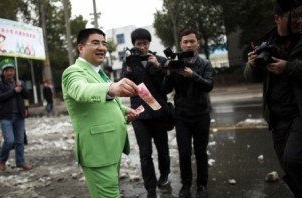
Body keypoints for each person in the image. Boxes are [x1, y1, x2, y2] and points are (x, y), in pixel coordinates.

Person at [62, 28, 140, 197]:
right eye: (95, 43)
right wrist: (112, 87)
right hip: (97, 152)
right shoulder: (73, 72)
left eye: (104, 43)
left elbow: (104, 106)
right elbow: (82, 91)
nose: (102, 47)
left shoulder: (99, 73)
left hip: (110, 148)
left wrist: (124, 111)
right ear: (80, 47)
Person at [244, 1, 302, 197]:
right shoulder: (266, 42)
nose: (300, 20)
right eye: (294, 16)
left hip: (299, 113)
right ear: (277, 18)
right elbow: (250, 77)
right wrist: (252, 64)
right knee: (287, 166)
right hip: (276, 118)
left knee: (293, 159)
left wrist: (287, 67)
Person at [162, 28, 213, 198]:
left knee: (200, 151)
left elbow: (208, 86)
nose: (189, 44)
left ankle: (202, 186)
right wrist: (169, 73)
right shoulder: (176, 64)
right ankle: (186, 185)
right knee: (184, 152)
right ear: (181, 44)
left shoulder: (204, 64)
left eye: (192, 41)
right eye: (186, 42)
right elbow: (165, 89)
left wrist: (192, 75)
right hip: (182, 115)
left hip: (201, 115)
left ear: (197, 43)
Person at [121, 28, 171, 198]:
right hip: (140, 114)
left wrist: (157, 67)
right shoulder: (129, 62)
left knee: (163, 149)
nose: (142, 47)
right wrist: (128, 67)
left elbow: (165, 86)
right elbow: (123, 83)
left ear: (149, 43)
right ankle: (150, 188)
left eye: (145, 43)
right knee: (145, 153)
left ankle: (164, 175)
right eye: (138, 44)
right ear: (133, 45)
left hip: (158, 112)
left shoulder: (158, 60)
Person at [0, 58, 31, 171]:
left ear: (14, 71)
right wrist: (14, 90)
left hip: (19, 116)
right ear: (3, 72)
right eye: (7, 70)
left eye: (11, 70)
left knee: (20, 141)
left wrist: (22, 88)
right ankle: (2, 160)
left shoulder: (19, 83)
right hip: (5, 117)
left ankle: (20, 161)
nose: (9, 72)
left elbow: (27, 96)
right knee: (10, 140)